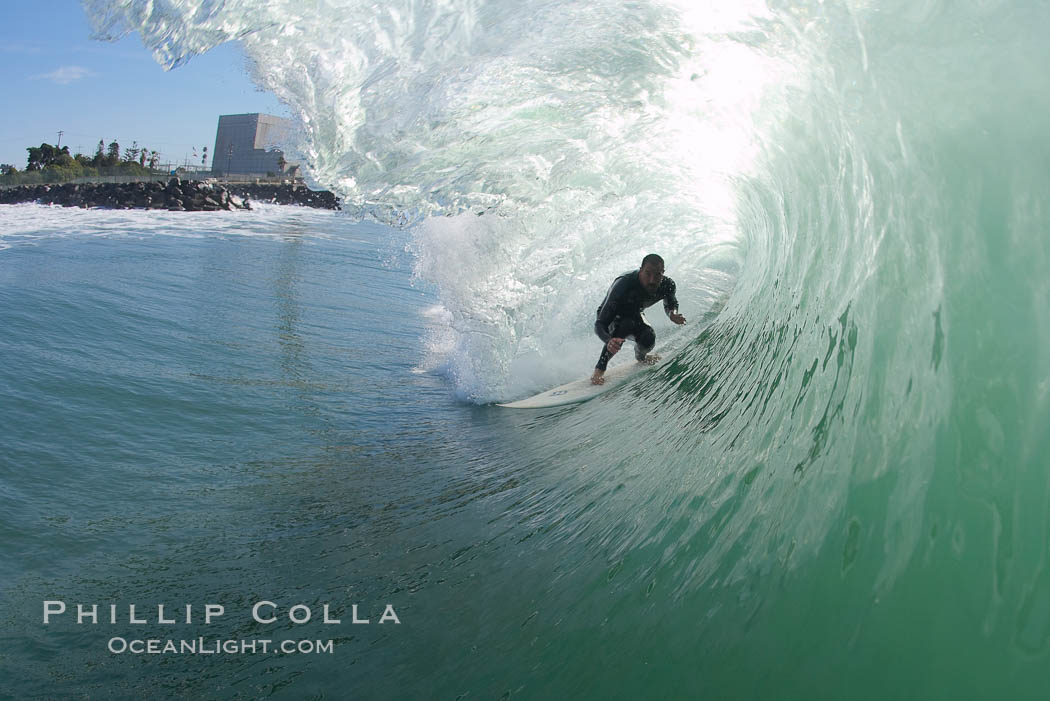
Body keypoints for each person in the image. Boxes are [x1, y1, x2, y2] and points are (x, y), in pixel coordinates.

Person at [591, 253, 686, 385]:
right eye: (648, 274)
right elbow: (600, 323)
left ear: (662, 273)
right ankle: (599, 370)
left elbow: (670, 302)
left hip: (635, 314)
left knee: (648, 339)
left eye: (657, 274)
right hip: (611, 316)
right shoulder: (624, 284)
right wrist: (608, 340)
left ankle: (641, 357)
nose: (652, 280)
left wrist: (672, 314)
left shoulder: (667, 285)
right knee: (625, 325)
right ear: (641, 270)